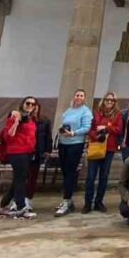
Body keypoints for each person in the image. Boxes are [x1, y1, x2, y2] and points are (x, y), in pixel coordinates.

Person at [0, 96, 38, 219]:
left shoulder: (31, 119)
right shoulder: (15, 116)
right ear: (23, 104)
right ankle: (21, 208)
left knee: (18, 180)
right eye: (27, 103)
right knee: (20, 180)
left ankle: (2, 207)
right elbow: (9, 136)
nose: (30, 105)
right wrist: (16, 122)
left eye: (33, 104)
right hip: (17, 153)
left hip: (27, 153)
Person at [82, 92, 123, 213]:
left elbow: (119, 129)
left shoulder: (118, 114)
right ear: (103, 100)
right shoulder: (96, 113)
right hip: (95, 146)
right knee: (90, 176)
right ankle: (87, 203)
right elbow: (90, 128)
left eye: (112, 100)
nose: (109, 102)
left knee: (104, 176)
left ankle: (99, 201)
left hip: (109, 148)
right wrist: (96, 136)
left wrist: (106, 128)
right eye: (107, 100)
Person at [54, 88, 92, 217]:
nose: (79, 97)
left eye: (81, 95)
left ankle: (66, 199)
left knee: (70, 171)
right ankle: (68, 200)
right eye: (77, 95)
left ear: (84, 98)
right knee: (64, 171)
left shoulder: (86, 112)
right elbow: (64, 123)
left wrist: (73, 133)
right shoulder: (69, 110)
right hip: (63, 143)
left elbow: (87, 128)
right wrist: (62, 131)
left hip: (76, 143)